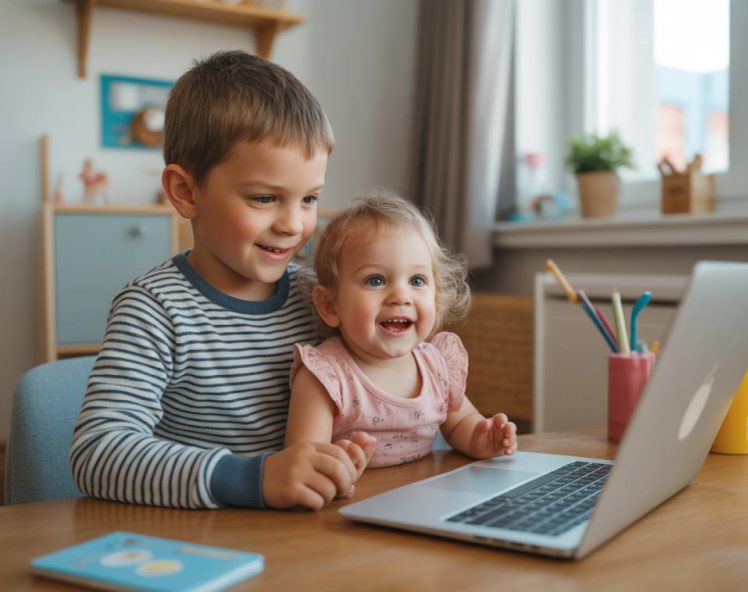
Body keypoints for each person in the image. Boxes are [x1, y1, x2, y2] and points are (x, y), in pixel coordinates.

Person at [69, 51, 376, 511]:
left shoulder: (317, 298)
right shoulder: (154, 308)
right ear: (186, 192)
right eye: (265, 198)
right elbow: (98, 453)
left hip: (304, 537)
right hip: (197, 543)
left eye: (310, 198)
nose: (294, 224)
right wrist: (252, 477)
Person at [285, 193, 518, 468]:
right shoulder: (326, 377)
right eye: (376, 280)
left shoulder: (436, 365)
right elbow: (302, 462)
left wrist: (482, 438)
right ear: (330, 305)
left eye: (417, 280)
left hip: (424, 497)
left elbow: (460, 423)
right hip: (351, 504)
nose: (401, 296)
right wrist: (334, 466)